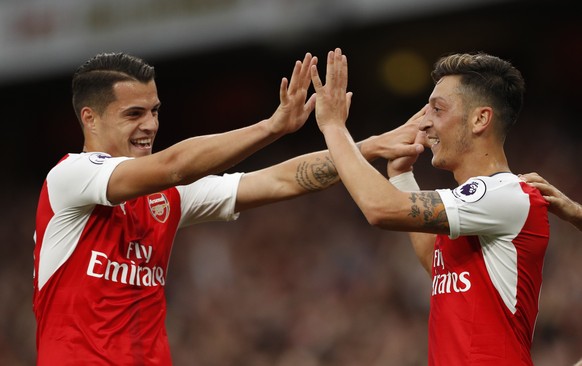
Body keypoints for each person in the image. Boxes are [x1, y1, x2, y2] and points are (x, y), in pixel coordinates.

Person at [33, 51, 425, 365]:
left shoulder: (166, 199)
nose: (150, 124)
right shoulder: (71, 178)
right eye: (134, 114)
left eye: (154, 111)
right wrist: (271, 127)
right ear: (90, 119)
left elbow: (280, 180)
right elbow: (175, 165)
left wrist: (367, 148)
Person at [311, 48, 549, 365]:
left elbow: (379, 208)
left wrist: (334, 127)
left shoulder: (505, 193)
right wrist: (400, 174)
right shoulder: (479, 204)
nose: (424, 124)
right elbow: (440, 265)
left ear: (480, 119)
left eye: (437, 110)